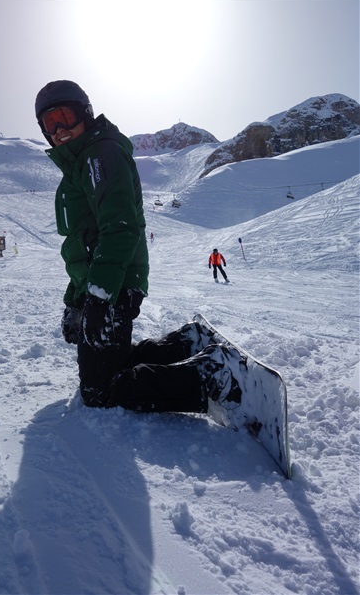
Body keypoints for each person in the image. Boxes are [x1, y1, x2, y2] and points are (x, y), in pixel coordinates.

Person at [35, 80, 241, 416]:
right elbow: (81, 245)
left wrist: (99, 297)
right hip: (102, 283)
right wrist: (75, 301)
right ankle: (187, 343)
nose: (59, 130)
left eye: (65, 117)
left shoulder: (99, 155)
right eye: (49, 123)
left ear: (85, 114)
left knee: (100, 391)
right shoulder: (79, 165)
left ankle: (214, 378)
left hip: (114, 284)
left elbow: (119, 228)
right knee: (114, 364)